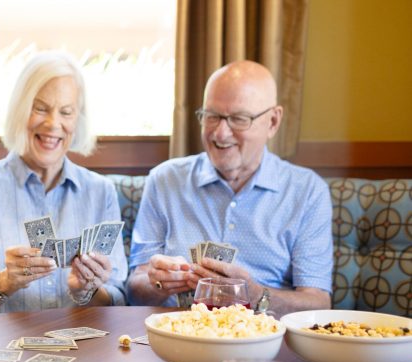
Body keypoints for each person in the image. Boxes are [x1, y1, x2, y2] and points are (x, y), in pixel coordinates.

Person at [127, 60, 332, 315]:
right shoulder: (165, 180)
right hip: (177, 337)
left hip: (261, 342)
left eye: (238, 119)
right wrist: (158, 283)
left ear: (273, 122)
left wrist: (255, 294)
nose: (221, 133)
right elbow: (135, 287)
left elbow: (318, 302)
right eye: (211, 116)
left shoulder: (307, 192)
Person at [0, 52, 128, 315]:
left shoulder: (101, 192)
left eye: (66, 112)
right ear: (20, 110)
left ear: (78, 120)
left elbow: (120, 299)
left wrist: (88, 290)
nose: (53, 124)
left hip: (85, 349)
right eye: (40, 108)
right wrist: (4, 283)